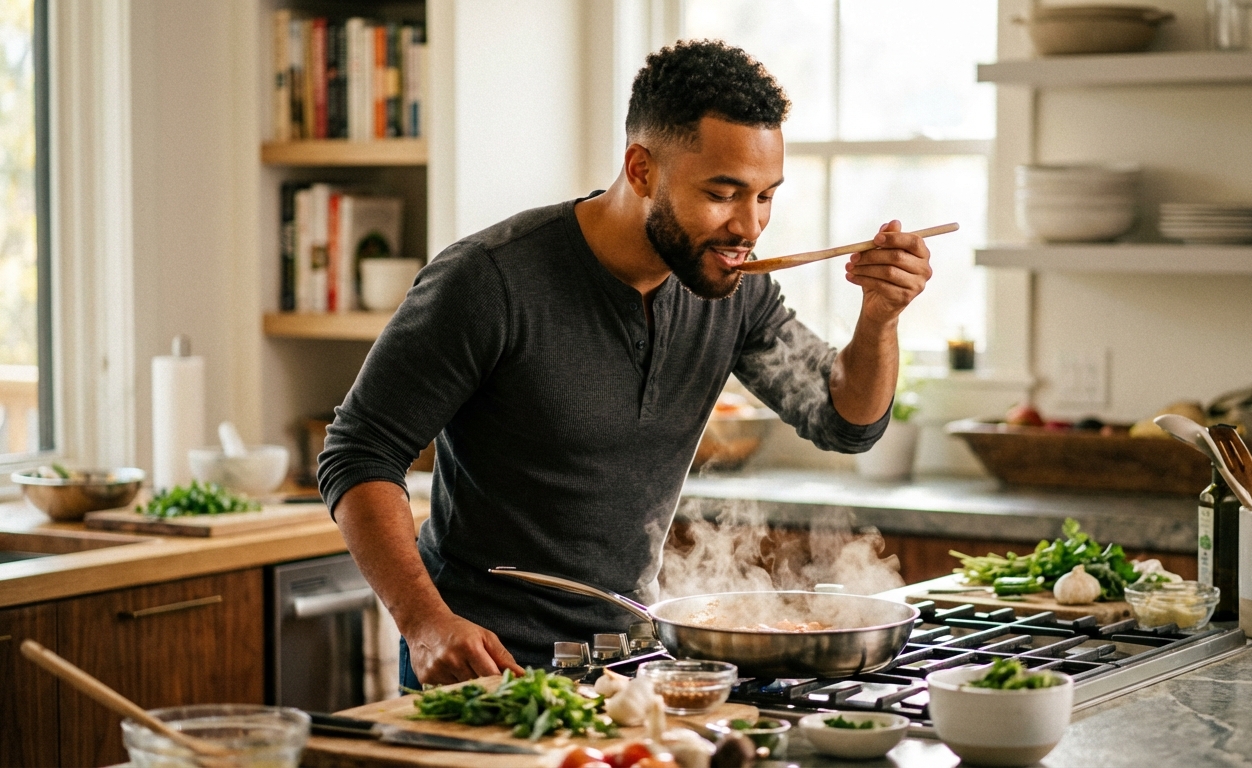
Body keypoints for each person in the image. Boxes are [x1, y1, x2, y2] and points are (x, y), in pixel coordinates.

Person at [317, 40, 934, 687]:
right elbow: (359, 453)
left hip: (630, 664)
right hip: (482, 667)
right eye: (723, 194)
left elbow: (843, 420)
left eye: (765, 197)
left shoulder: (735, 289)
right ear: (641, 169)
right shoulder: (490, 280)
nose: (748, 227)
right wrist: (424, 622)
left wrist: (881, 317)